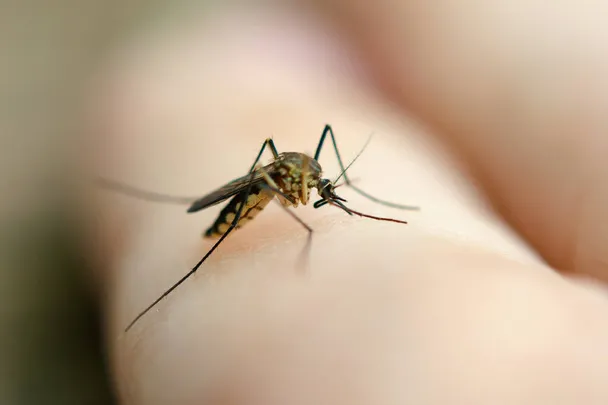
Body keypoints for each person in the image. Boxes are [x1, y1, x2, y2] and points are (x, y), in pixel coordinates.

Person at [90, 2, 608, 404]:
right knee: (266, 175)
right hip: (255, 186)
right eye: (327, 193)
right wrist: (301, 223)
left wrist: (346, 197)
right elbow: (275, 175)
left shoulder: (314, 175)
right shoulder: (290, 179)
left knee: (314, 143)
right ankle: (196, 234)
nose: (323, 196)